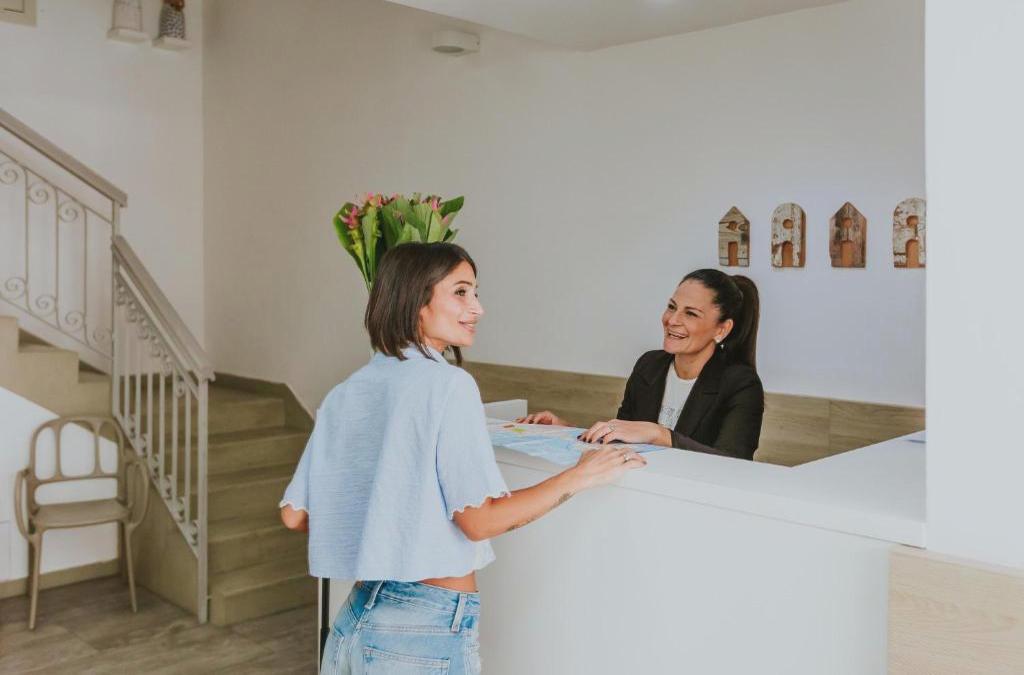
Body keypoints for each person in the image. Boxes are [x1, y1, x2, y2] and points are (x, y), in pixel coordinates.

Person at [279, 242, 645, 674]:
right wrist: (578, 476)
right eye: (460, 292)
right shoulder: (448, 385)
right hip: (422, 632)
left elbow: (295, 515)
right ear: (416, 300)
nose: (478, 308)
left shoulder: (346, 391)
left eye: (475, 293)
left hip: (353, 623)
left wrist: (387, 515)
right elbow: (479, 520)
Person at [519, 269, 764, 460]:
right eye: (672, 307)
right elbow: (621, 437)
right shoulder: (649, 365)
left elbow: (734, 463)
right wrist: (566, 431)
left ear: (722, 329)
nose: (672, 320)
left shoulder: (741, 384)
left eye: (690, 313)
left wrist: (659, 435)